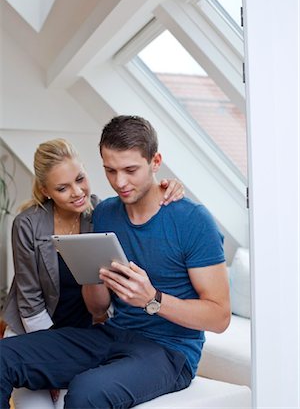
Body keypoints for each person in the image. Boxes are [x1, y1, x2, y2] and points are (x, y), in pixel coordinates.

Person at [0, 116, 230, 409]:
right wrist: (95, 278)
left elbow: (220, 317)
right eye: (110, 170)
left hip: (170, 350)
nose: (120, 182)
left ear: (155, 161)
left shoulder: (194, 221)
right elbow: (97, 308)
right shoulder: (105, 212)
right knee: (3, 358)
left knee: (86, 392)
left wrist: (153, 299)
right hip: (111, 333)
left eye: (130, 170)